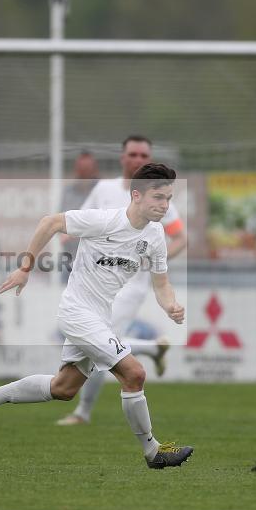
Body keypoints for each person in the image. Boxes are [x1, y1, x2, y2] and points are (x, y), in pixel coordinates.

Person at [0, 163, 194, 469]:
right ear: (136, 195)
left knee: (63, 388)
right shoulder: (105, 220)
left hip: (100, 317)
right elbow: (50, 223)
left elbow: (161, 283)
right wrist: (25, 268)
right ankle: (153, 451)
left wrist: (170, 305)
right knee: (134, 374)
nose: (165, 205)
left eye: (168, 198)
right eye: (158, 197)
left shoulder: (156, 236)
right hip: (76, 312)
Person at [56, 135, 186, 426]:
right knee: (102, 343)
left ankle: (82, 413)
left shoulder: (159, 197)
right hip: (97, 281)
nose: (138, 159)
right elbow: (82, 221)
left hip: (132, 284)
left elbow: (180, 238)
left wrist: (151, 263)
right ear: (122, 157)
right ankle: (152, 348)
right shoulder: (103, 189)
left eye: (144, 155)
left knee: (103, 343)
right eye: (133, 154)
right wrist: (68, 234)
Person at [59, 151, 101, 282]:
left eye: (87, 169)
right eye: (81, 169)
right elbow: (61, 221)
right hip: (70, 259)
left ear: (94, 169)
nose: (84, 173)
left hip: (97, 262)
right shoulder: (68, 192)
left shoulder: (102, 191)